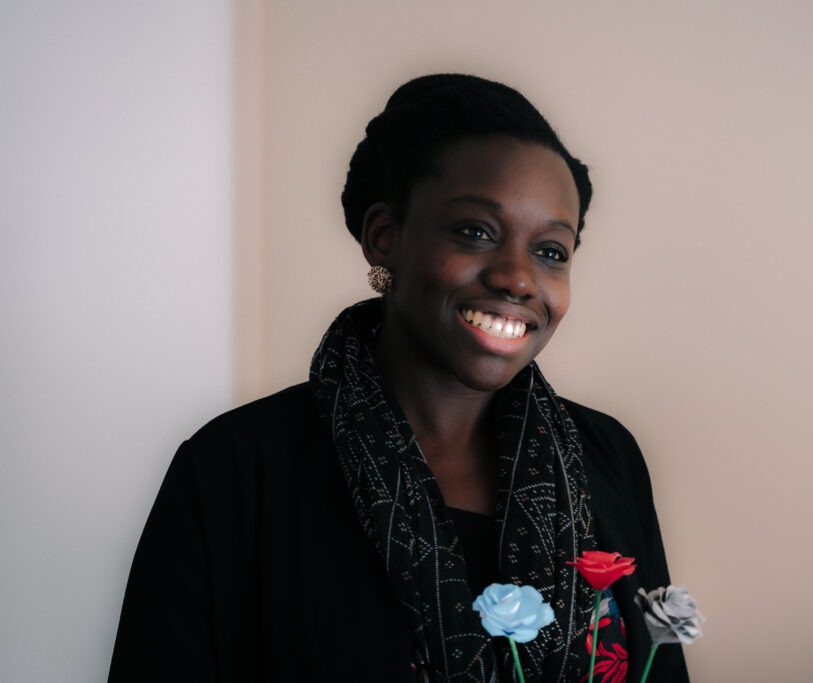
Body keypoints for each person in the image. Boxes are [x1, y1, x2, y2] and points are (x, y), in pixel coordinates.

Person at [108, 74, 688, 683]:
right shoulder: (235, 470)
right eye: (476, 232)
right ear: (384, 236)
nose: (518, 279)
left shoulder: (607, 457)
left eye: (550, 251)